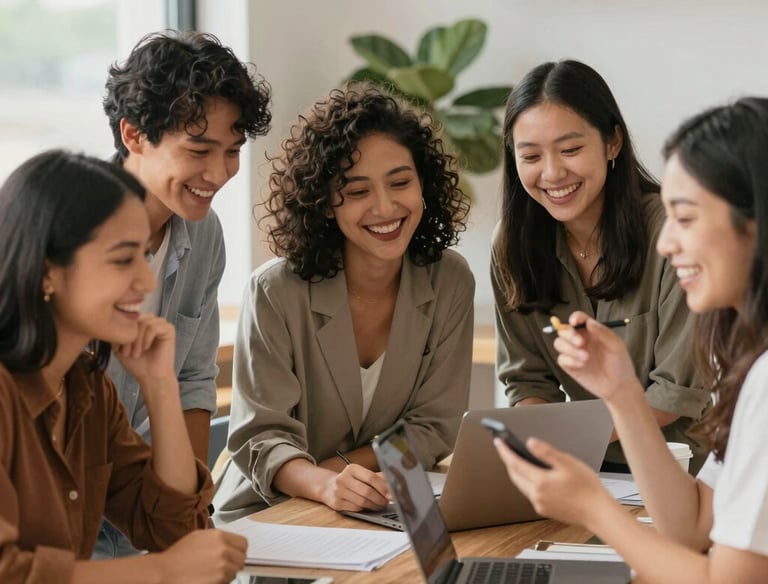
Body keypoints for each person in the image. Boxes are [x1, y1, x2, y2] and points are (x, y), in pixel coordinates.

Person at [494, 98, 768, 583]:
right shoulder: (752, 368)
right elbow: (692, 527)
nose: (665, 243)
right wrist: (621, 392)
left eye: (685, 218)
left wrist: (594, 509)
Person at [213, 83, 474, 523]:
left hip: (385, 505)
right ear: (326, 203)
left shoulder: (449, 280)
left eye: (400, 182)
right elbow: (262, 437)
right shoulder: (276, 292)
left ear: (422, 185)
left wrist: (349, 477)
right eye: (357, 192)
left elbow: (433, 427)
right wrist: (326, 484)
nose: (386, 206)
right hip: (269, 511)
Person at [0, 150, 247, 583]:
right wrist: (164, 571)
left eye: (143, 254)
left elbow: (177, 529)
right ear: (46, 272)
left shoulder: (87, 388)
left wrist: (160, 385)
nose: (147, 281)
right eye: (122, 259)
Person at [95, 30, 271, 557]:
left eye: (233, 152)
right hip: (65, 522)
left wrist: (189, 525)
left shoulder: (203, 233)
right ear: (134, 135)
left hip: (144, 516)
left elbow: (193, 378)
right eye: (198, 150)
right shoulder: (72, 234)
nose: (218, 174)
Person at [491, 59, 709, 471]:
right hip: (583, 467)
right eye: (531, 156)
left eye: (571, 149)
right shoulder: (511, 244)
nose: (553, 173)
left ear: (612, 143)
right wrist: (543, 451)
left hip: (684, 468)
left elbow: (674, 394)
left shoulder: (674, 235)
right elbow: (527, 381)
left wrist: (567, 439)